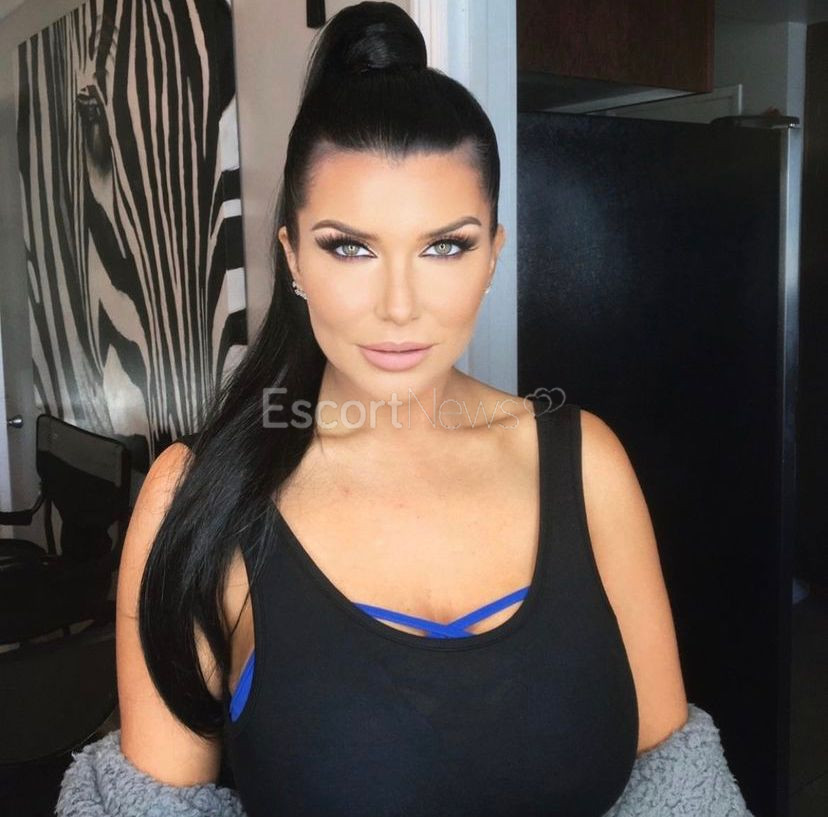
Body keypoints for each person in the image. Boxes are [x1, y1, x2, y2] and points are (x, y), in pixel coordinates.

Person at [57, 3, 754, 816]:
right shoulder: (201, 498)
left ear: (492, 255)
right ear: (293, 258)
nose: (398, 305)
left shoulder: (586, 462)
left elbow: (679, 787)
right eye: (349, 246)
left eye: (445, 245)